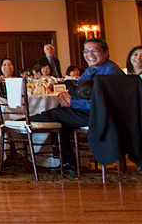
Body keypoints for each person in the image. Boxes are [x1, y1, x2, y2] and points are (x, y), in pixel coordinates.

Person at [28, 38, 123, 172]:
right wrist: (63, 95)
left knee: (53, 116)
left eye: (94, 50)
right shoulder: (92, 69)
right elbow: (78, 89)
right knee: (57, 116)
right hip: (90, 112)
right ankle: (67, 161)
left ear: (106, 52)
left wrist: (72, 102)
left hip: (102, 115)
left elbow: (101, 103)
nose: (89, 54)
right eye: (86, 51)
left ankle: (26, 122)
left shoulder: (110, 72)